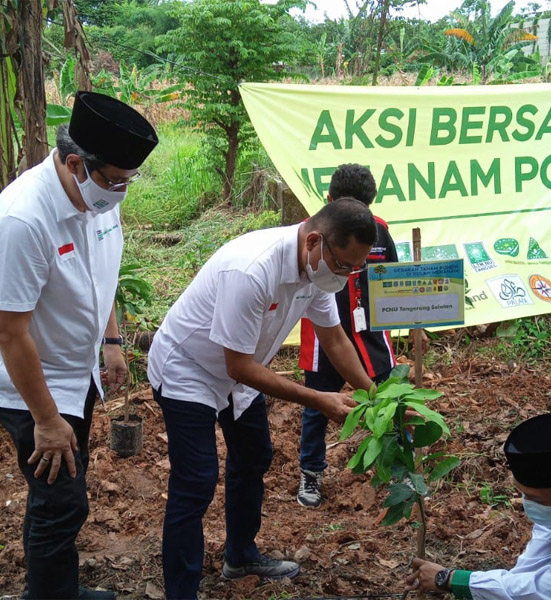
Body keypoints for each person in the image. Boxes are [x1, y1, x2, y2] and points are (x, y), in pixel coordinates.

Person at [146, 198, 378, 600]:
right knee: (196, 481)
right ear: (314, 242)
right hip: (189, 370)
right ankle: (181, 591)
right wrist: (319, 399)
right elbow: (237, 366)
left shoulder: (319, 273)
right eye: (343, 265)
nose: (345, 275)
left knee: (253, 456)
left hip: (242, 371)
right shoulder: (253, 270)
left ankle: (240, 555)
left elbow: (336, 340)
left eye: (354, 268)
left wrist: (377, 400)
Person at [0, 91, 158, 600]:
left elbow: (99, 275)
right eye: (115, 180)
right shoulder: (23, 220)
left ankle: (57, 587)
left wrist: (111, 341)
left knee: (60, 495)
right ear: (75, 163)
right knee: (61, 501)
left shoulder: (99, 197)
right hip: (30, 382)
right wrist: (46, 420)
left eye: (127, 182)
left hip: (76, 372)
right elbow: (9, 331)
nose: (121, 192)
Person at [406, 412, 551, 600]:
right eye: (524, 494)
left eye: (538, 500)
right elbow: (526, 574)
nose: (527, 504)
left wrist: (451, 579)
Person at [296, 163, 398, 508]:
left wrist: (418, 325)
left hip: (370, 335)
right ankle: (311, 474)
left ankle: (396, 468)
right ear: (328, 203)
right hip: (325, 335)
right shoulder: (312, 234)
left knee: (387, 399)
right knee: (317, 407)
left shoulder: (381, 232)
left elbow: (395, 281)